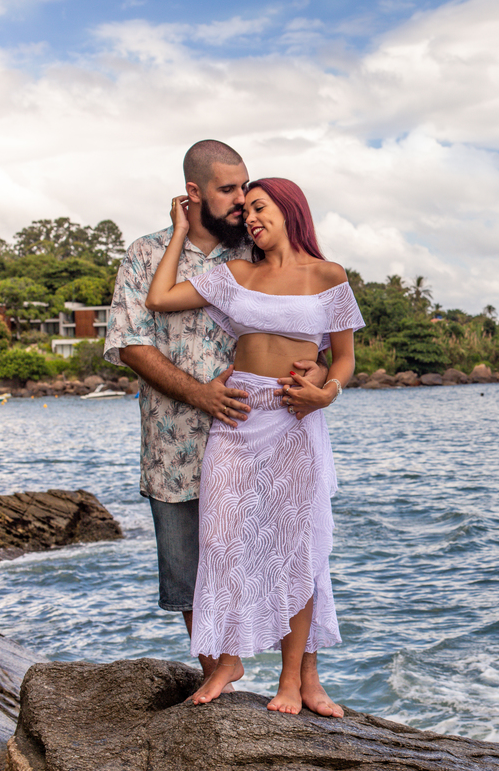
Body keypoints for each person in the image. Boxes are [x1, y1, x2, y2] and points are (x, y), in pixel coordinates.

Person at [104, 141, 342, 716]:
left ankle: (303, 679)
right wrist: (201, 393)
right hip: (176, 440)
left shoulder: (257, 248)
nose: (242, 202)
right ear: (194, 194)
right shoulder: (144, 255)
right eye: (230, 190)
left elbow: (326, 339)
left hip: (266, 428)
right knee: (192, 565)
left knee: (292, 547)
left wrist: (324, 379)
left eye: (247, 190)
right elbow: (130, 343)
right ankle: (220, 677)